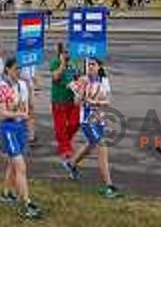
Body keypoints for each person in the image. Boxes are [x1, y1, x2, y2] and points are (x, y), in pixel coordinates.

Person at [0, 58, 43, 220]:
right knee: (21, 167)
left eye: (19, 69)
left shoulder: (22, 85)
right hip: (8, 129)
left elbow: (26, 108)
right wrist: (18, 114)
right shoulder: (2, 87)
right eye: (15, 69)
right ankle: (27, 202)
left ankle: (6, 193)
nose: (18, 72)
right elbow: (1, 114)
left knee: (12, 164)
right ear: (7, 69)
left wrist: (27, 121)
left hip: (20, 128)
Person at [64, 58, 121, 199]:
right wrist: (82, 89)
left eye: (93, 64)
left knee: (90, 145)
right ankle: (109, 186)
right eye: (88, 64)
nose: (90, 67)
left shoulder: (104, 81)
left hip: (100, 120)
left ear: (99, 66)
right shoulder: (83, 81)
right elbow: (76, 102)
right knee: (102, 148)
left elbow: (107, 101)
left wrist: (95, 102)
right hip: (88, 121)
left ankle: (71, 164)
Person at [50, 43, 81, 171]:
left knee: (75, 123)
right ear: (61, 53)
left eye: (69, 52)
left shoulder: (74, 62)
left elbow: (78, 78)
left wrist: (79, 91)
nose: (68, 54)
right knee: (61, 126)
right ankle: (65, 149)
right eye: (66, 52)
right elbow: (55, 77)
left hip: (73, 99)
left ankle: (64, 143)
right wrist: (62, 63)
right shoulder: (55, 62)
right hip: (59, 99)